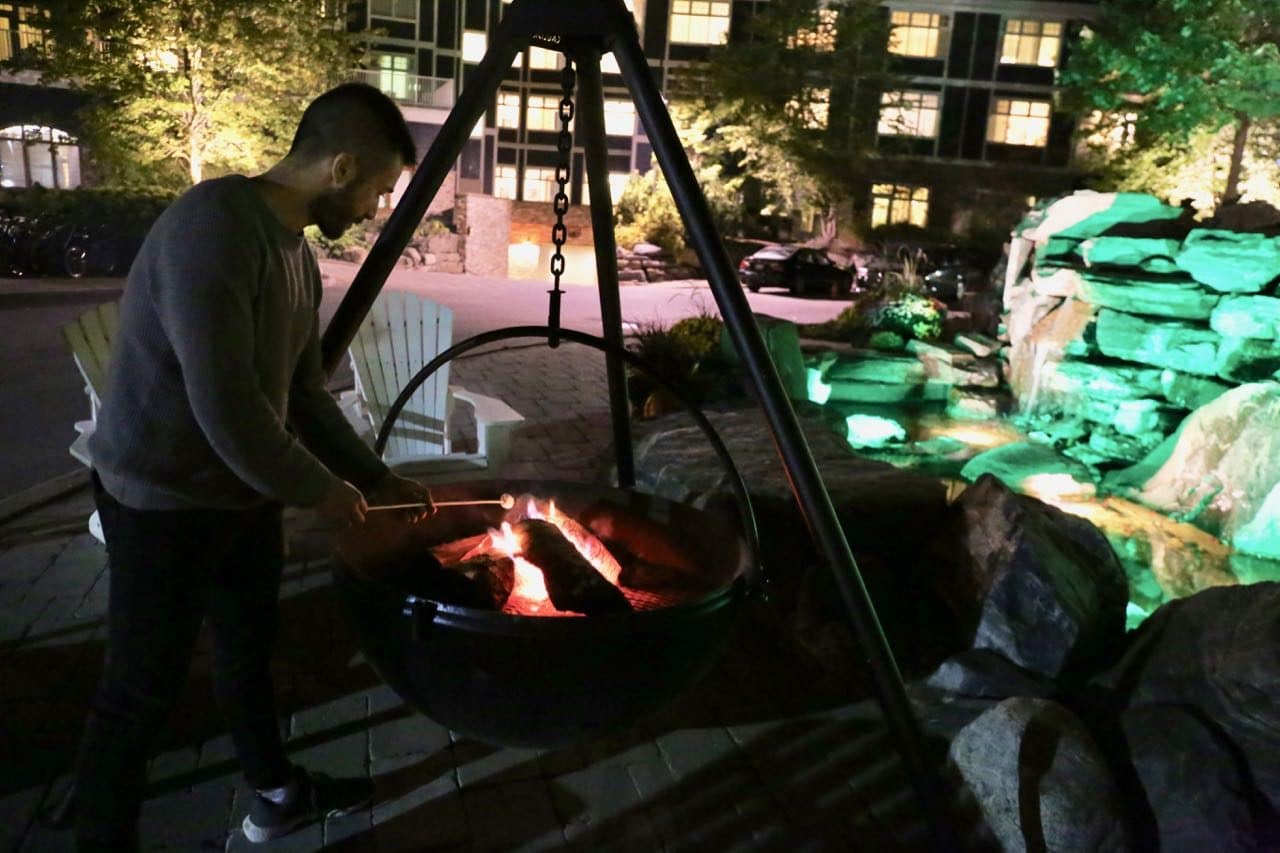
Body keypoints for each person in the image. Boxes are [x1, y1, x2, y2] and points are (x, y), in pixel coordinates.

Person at [71, 82, 434, 851]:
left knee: (248, 653)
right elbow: (228, 408)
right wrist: (319, 491)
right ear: (340, 167)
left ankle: (276, 794)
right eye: (378, 189)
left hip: (240, 496)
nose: (374, 208)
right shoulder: (213, 227)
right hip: (159, 497)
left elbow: (303, 394)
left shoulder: (296, 254)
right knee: (140, 689)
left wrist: (374, 478)